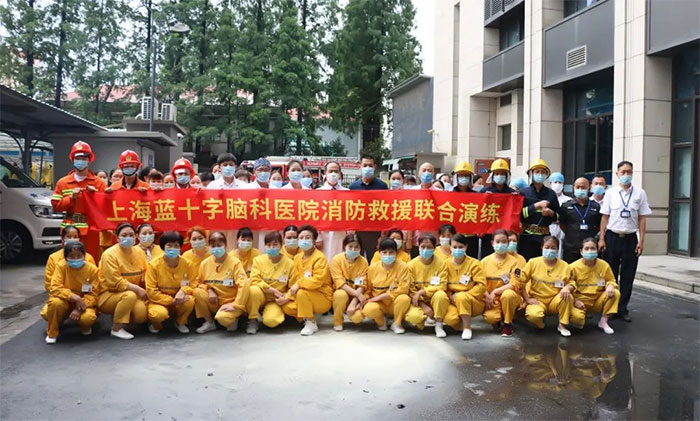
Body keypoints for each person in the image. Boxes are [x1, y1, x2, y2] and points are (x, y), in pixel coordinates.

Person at [599, 161, 651, 322]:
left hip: (630, 238)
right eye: (623, 172)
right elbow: (605, 217)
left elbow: (642, 218)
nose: (626, 175)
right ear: (617, 174)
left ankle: (622, 309)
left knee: (628, 274)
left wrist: (641, 241)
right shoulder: (611, 193)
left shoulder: (640, 193)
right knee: (611, 274)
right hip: (612, 237)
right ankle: (610, 308)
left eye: (629, 172)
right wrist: (601, 238)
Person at [192, 231, 251, 334]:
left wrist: (236, 304)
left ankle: (233, 318)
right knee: (197, 292)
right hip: (214, 301)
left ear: (225, 245)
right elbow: (200, 282)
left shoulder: (235, 262)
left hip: (231, 302)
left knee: (223, 319)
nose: (216, 248)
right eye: (213, 246)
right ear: (209, 246)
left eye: (219, 245)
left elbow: (244, 284)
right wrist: (209, 290)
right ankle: (209, 322)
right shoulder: (205, 264)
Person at [97, 222, 148, 340]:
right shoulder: (109, 254)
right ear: (117, 237)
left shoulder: (139, 252)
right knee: (129, 296)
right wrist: (138, 289)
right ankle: (116, 328)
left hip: (132, 293)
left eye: (131, 235)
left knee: (141, 315)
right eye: (124, 235)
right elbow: (114, 282)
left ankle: (119, 314)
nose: (128, 238)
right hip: (108, 294)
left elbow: (146, 273)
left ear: (136, 237)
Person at [42, 241, 99, 344]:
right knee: (53, 305)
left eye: (79, 256)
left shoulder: (92, 270)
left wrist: (78, 308)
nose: (75, 259)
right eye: (71, 256)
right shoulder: (61, 266)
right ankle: (52, 332)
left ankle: (84, 327)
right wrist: (74, 297)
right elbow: (54, 287)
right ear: (65, 257)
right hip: (64, 301)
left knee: (87, 319)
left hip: (83, 303)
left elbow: (93, 294)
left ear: (84, 256)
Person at [283, 225, 333, 335]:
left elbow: (317, 281)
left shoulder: (320, 258)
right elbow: (294, 280)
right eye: (301, 238)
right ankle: (309, 314)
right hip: (303, 294)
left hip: (322, 295)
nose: (304, 240)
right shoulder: (297, 258)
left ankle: (311, 322)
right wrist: (288, 296)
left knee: (301, 293)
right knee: (287, 307)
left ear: (314, 240)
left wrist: (299, 284)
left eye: (307, 238)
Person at [521, 236, 575, 337]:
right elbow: (521, 281)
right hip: (537, 300)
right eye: (547, 247)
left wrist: (567, 287)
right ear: (542, 247)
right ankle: (540, 324)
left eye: (553, 248)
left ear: (557, 249)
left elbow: (572, 282)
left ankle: (562, 325)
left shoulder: (565, 266)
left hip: (555, 300)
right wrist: (527, 299)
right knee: (533, 316)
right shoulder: (533, 263)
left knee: (568, 296)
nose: (550, 250)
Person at [247, 231, 300, 333]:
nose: (272, 247)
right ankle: (253, 319)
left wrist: (286, 298)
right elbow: (255, 279)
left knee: (271, 321)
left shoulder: (289, 263)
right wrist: (272, 290)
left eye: (275, 245)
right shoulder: (258, 260)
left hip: (276, 299)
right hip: (261, 294)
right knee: (253, 290)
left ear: (281, 245)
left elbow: (293, 285)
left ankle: (270, 313)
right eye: (268, 245)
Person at [51, 141, 107, 236]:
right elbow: (56, 207)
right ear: (73, 160)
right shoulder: (63, 182)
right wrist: (71, 198)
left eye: (84, 159)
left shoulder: (98, 183)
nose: (81, 161)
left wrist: (95, 196)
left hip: (91, 230)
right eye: (77, 158)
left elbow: (106, 208)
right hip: (69, 230)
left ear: (89, 160)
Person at [145, 231, 195, 334]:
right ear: (163, 247)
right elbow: (151, 290)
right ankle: (156, 324)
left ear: (180, 247)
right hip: (159, 301)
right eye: (169, 245)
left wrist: (183, 291)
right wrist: (171, 301)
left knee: (189, 301)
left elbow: (193, 283)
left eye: (176, 246)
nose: (173, 248)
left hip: (180, 299)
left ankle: (180, 322)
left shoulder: (188, 264)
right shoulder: (153, 265)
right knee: (158, 314)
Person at [569, 238, 620, 334]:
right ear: (581, 251)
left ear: (597, 250)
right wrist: (575, 300)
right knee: (577, 320)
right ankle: (579, 317)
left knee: (615, 293)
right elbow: (567, 286)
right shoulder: (573, 267)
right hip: (580, 301)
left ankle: (603, 322)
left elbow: (611, 280)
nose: (590, 251)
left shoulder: (604, 265)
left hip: (597, 300)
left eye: (593, 248)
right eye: (586, 248)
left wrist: (610, 285)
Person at [442, 234, 487, 340]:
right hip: (452, 300)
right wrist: (450, 296)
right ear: (450, 247)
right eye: (454, 247)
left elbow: (481, 286)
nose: (457, 250)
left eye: (460, 247)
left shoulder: (474, 264)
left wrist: (465, 294)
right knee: (450, 319)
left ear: (466, 247)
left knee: (461, 297)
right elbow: (442, 284)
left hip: (472, 300)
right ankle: (459, 322)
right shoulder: (444, 264)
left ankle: (467, 327)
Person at [362, 238, 412, 333]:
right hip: (379, 303)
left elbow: (403, 289)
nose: (387, 255)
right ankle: (381, 322)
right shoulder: (372, 268)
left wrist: (381, 296)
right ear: (379, 253)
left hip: (394, 302)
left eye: (391, 252)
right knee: (368, 309)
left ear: (396, 253)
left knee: (404, 298)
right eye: (384, 252)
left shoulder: (403, 267)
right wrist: (366, 299)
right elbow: (368, 289)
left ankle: (397, 323)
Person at [481, 229, 524, 337]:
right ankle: (497, 319)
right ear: (492, 243)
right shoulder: (485, 261)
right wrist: (487, 295)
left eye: (504, 241)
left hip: (510, 296)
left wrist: (495, 291)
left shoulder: (514, 262)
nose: (501, 244)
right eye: (498, 241)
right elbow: (479, 282)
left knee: (508, 294)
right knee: (490, 318)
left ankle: (507, 323)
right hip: (492, 298)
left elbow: (514, 283)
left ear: (508, 243)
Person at [405, 234, 450, 338]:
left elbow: (442, 285)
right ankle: (422, 320)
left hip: (435, 298)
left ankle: (439, 324)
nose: (425, 250)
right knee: (414, 317)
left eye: (429, 247)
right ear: (418, 247)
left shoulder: (441, 264)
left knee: (441, 295)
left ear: (434, 248)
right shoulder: (411, 265)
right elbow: (411, 290)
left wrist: (423, 291)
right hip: (418, 300)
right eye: (423, 247)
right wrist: (423, 305)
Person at [519, 159, 561, 260]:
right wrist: (536, 206)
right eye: (537, 172)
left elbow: (558, 216)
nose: (540, 174)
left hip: (544, 237)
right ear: (531, 174)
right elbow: (519, 214)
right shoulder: (523, 192)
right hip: (526, 237)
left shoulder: (551, 194)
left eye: (543, 172)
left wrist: (551, 213)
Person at [349, 154, 387, 259]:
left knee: (374, 258)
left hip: (375, 231)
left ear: (375, 167)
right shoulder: (353, 187)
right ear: (360, 167)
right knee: (357, 258)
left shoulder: (382, 186)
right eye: (365, 165)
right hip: (358, 230)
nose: (367, 168)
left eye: (370, 165)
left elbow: (386, 209)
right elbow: (349, 209)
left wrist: (383, 233)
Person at [330, 234, 369, 331]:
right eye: (350, 246)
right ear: (344, 247)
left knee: (357, 318)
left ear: (360, 248)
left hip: (358, 294)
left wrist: (354, 302)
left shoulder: (363, 262)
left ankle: (353, 314)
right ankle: (338, 321)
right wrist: (357, 294)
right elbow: (339, 282)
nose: (353, 249)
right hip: (343, 291)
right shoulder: (337, 259)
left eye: (356, 247)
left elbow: (362, 284)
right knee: (340, 295)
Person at [560, 177, 602, 263]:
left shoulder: (596, 206)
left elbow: (599, 226)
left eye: (583, 187)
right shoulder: (566, 206)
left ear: (588, 188)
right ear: (574, 188)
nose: (580, 189)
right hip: (571, 246)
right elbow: (562, 225)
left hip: (589, 249)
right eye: (578, 187)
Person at [43, 225, 96, 293]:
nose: (72, 239)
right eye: (69, 237)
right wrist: (69, 295)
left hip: (84, 294)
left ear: (79, 239)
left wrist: (85, 297)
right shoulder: (54, 258)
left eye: (75, 237)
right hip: (61, 295)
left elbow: (93, 282)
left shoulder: (88, 258)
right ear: (63, 239)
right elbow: (49, 284)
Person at [483, 158, 517, 257]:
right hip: (488, 233)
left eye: (502, 173)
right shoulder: (484, 192)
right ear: (492, 175)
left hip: (507, 233)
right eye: (497, 173)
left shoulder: (512, 193)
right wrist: (484, 199)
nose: (500, 176)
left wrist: (516, 199)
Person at [317, 161, 350, 258]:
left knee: (340, 259)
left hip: (341, 234)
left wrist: (349, 235)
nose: (333, 174)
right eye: (330, 171)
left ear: (340, 173)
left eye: (336, 171)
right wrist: (317, 237)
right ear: (325, 173)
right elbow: (314, 216)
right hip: (323, 234)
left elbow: (350, 215)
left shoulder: (347, 192)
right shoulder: (317, 192)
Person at [452, 161, 481, 258]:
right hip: (455, 236)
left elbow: (480, 214)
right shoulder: (449, 195)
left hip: (472, 237)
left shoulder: (476, 195)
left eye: (466, 175)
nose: (463, 178)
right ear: (456, 177)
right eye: (461, 175)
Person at [548, 172, 569, 258]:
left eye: (560, 182)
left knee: (561, 251)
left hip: (562, 228)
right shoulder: (547, 198)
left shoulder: (568, 200)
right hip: (550, 226)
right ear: (550, 184)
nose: (557, 184)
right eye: (555, 182)